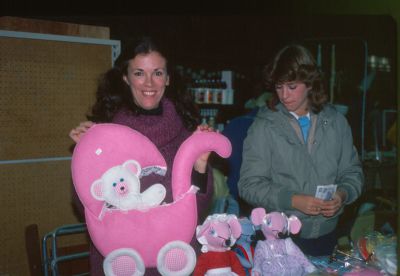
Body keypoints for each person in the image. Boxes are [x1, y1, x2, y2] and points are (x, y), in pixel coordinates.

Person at [69, 36, 215, 275]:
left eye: (157, 73)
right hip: (122, 263)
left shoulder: (186, 134)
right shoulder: (104, 134)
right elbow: (86, 205)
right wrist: (83, 156)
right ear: (125, 78)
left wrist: (199, 165)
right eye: (139, 73)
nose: (149, 83)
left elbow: (197, 211)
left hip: (176, 262)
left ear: (168, 78)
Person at [238, 44, 364, 256]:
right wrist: (292, 200)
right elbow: (248, 185)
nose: (284, 95)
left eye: (292, 86)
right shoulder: (264, 126)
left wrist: (343, 194)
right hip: (279, 240)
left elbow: (353, 173)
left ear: (310, 84)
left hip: (327, 236)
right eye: (279, 87)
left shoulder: (336, 123)